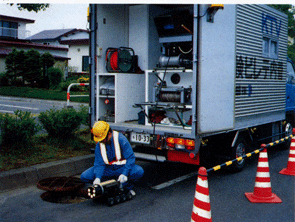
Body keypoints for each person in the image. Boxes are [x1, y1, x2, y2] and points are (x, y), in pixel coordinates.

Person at [81, 121, 144, 196]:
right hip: (108, 170)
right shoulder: (99, 144)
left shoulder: (121, 139)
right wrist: (98, 178)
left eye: (102, 139)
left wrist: (124, 173)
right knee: (84, 176)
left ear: (109, 134)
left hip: (121, 168)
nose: (101, 141)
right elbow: (99, 163)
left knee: (138, 171)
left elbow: (130, 158)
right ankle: (106, 187)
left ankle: (127, 188)